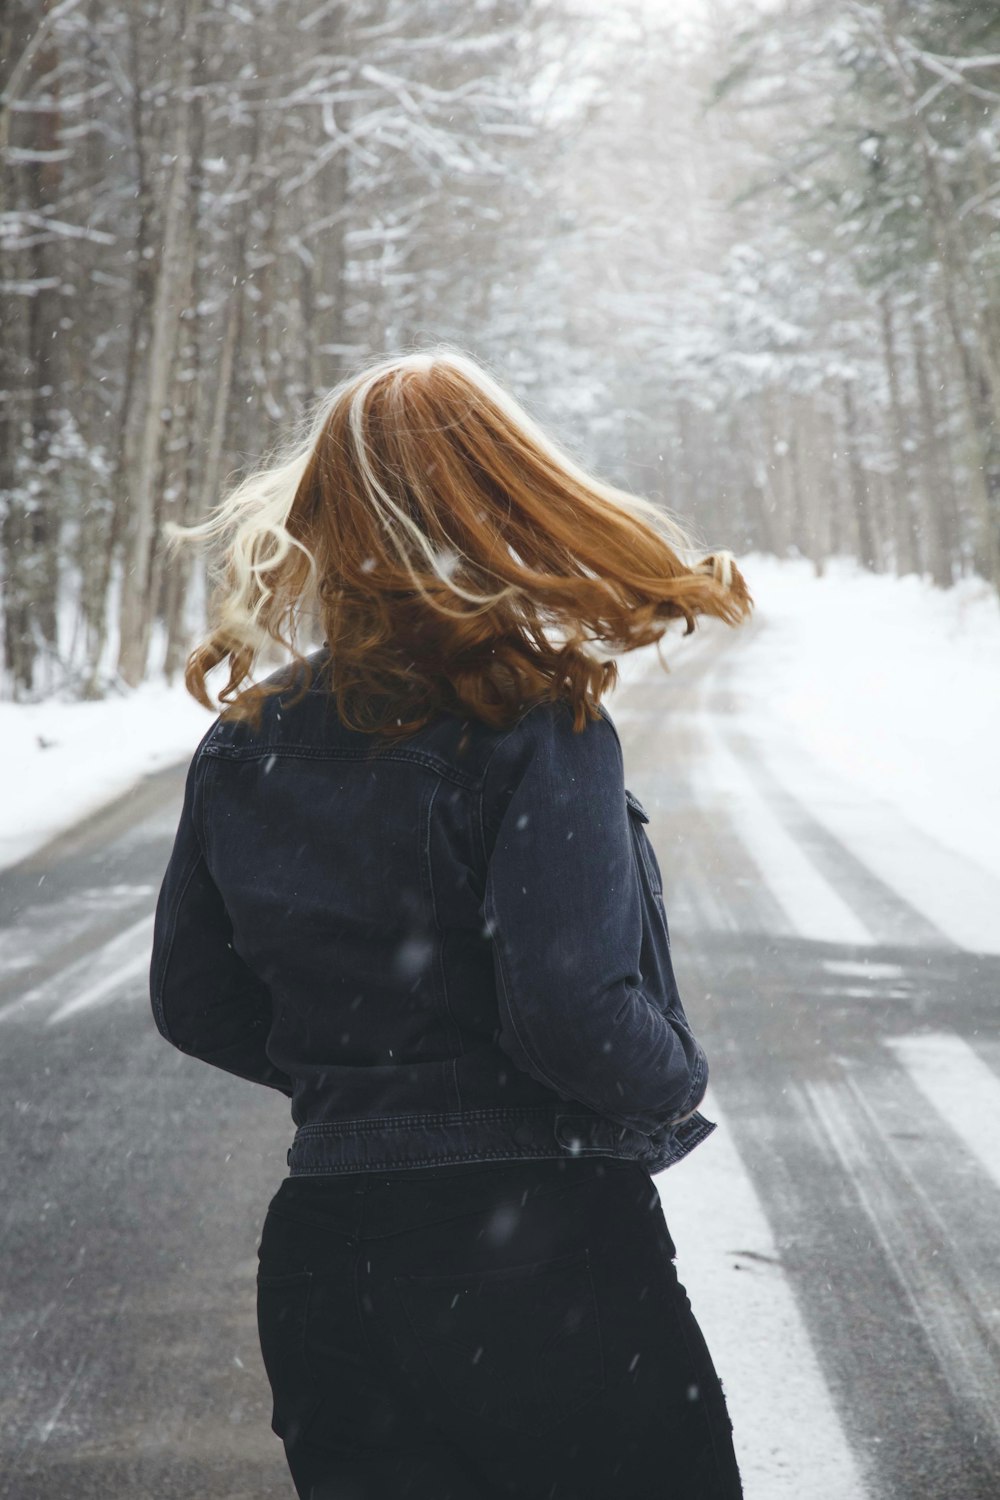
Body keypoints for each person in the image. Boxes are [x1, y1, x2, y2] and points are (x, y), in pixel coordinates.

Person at [149, 347, 753, 1499]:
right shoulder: (531, 719)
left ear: (324, 517)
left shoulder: (245, 738)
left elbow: (196, 1001)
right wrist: (674, 1079)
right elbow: (572, 1012)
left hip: (328, 1261)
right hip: (542, 1255)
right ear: (509, 504)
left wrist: (365, 1089)